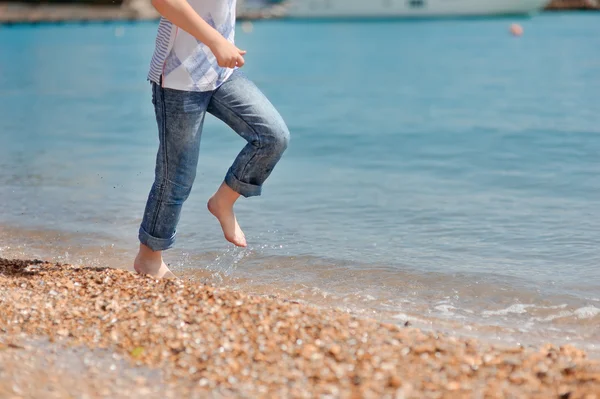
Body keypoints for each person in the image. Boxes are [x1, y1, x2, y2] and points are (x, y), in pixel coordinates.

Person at [133, 0, 290, 278]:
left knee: (273, 136)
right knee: (177, 177)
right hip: (177, 78)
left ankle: (223, 202)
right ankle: (149, 257)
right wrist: (216, 41)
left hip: (221, 74)